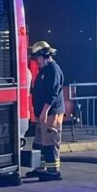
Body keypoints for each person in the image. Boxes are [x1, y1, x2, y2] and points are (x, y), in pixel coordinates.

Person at [26, 40, 65, 181]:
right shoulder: (44, 70)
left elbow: (53, 94)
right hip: (43, 113)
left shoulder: (53, 70)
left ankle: (53, 171)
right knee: (39, 142)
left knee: (49, 142)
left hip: (51, 113)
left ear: (46, 55)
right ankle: (40, 168)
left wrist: (44, 111)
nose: (37, 61)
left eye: (38, 58)